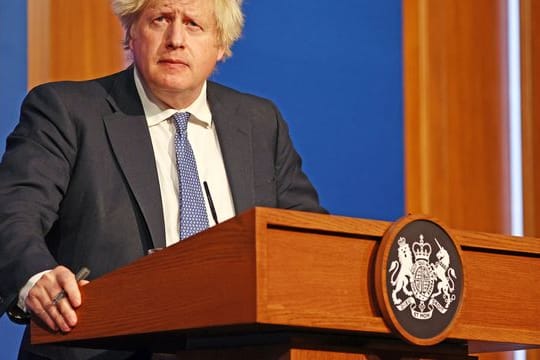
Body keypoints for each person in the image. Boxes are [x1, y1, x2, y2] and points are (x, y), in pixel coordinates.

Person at [0, 0, 325, 358]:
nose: (175, 39)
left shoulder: (260, 123)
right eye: (161, 19)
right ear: (131, 32)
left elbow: (306, 241)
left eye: (193, 25)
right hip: (103, 347)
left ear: (222, 45)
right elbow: (14, 212)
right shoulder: (68, 111)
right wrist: (36, 277)